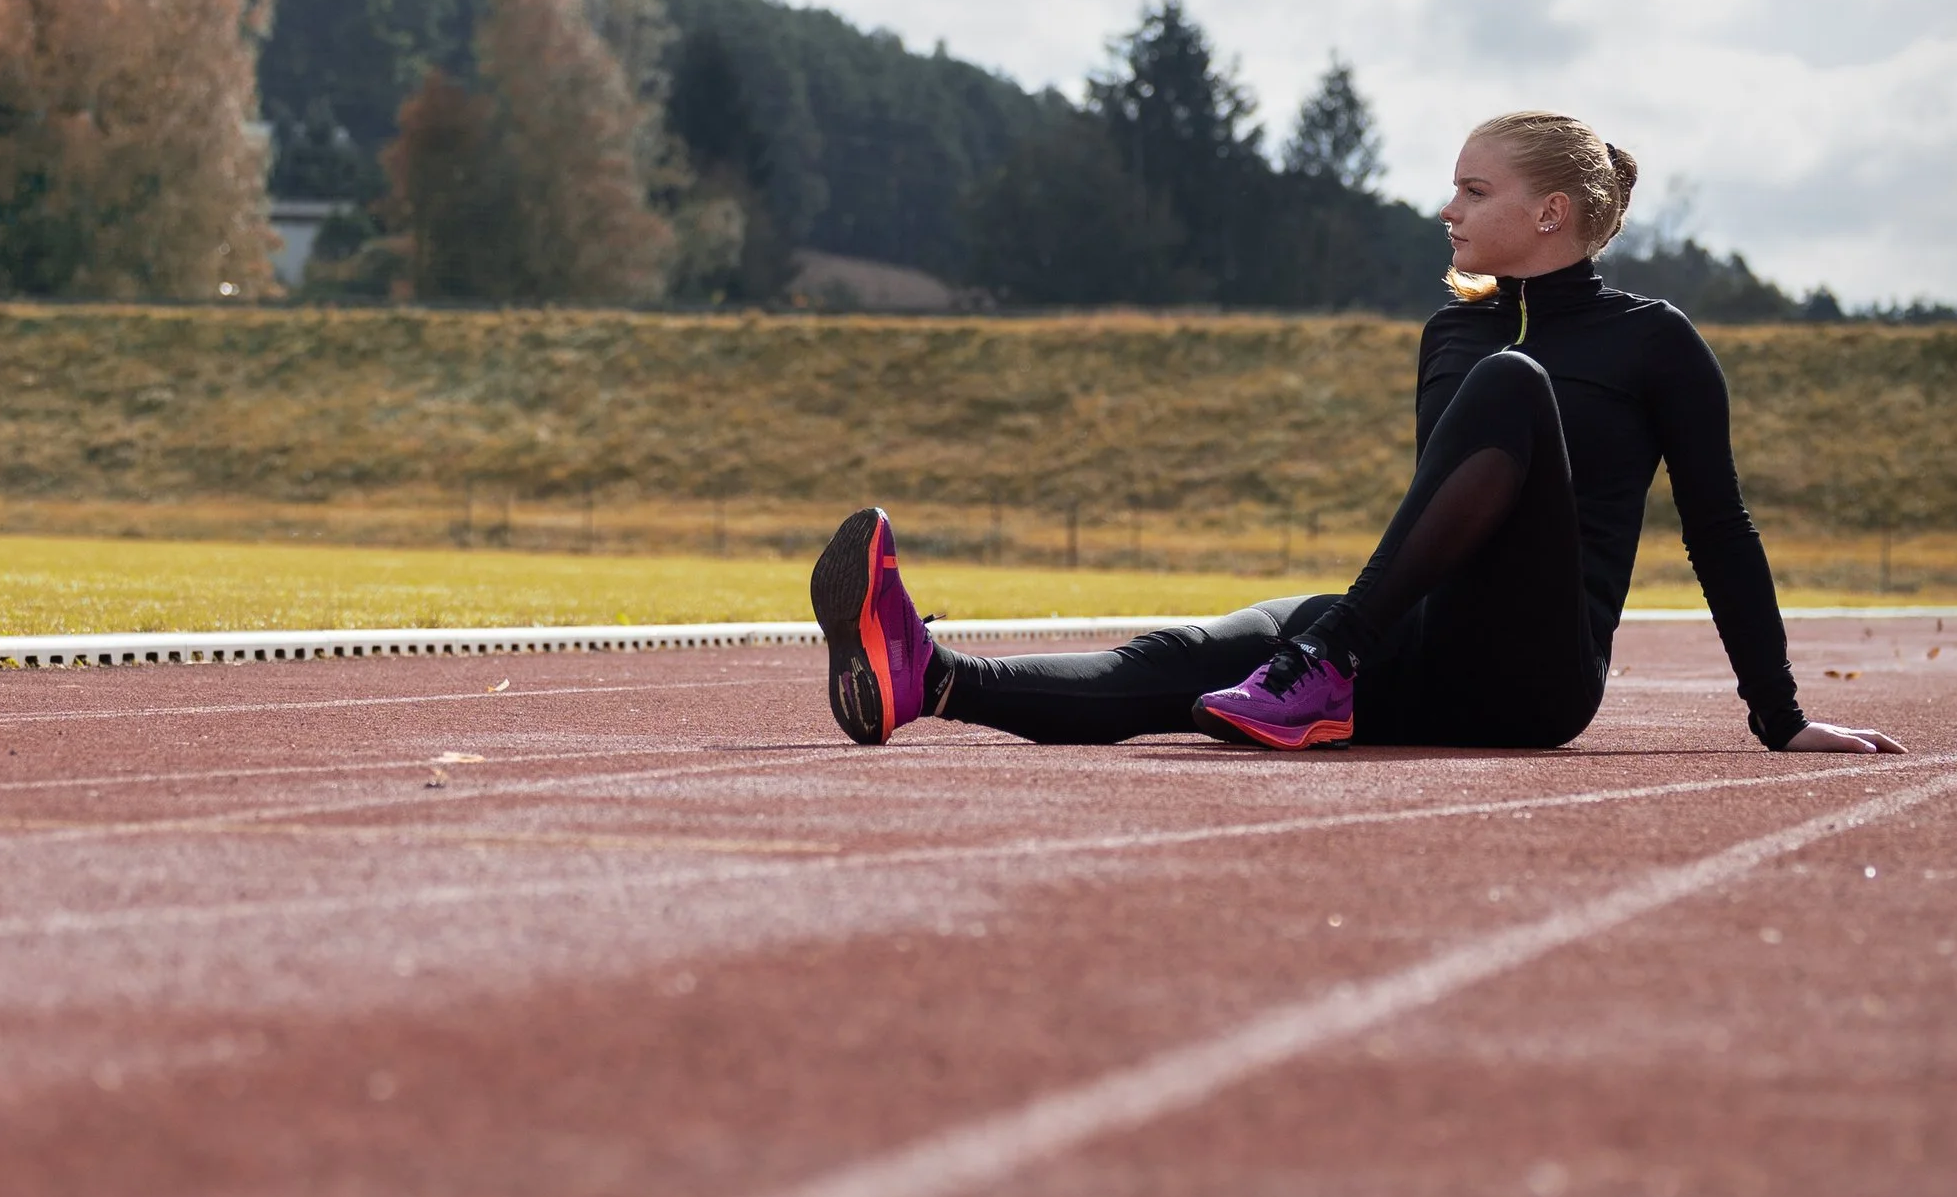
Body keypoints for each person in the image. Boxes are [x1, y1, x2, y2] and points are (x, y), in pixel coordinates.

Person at [810, 110, 1901, 762]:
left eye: (1473, 189)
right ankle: (926, 677)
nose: (1447, 209)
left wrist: (1781, 716)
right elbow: (1442, 512)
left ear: (1551, 212)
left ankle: (1323, 657)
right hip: (1415, 639)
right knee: (1176, 662)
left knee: (1512, 386)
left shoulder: (1652, 342)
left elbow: (1719, 529)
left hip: (1536, 676)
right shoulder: (1451, 331)